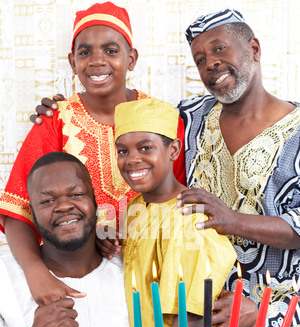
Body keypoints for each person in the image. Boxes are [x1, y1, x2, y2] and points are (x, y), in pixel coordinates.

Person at [0, 2, 186, 308]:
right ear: (72, 62)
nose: (97, 61)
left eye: (111, 50)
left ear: (132, 58)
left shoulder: (162, 120)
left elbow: (178, 202)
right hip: (76, 274)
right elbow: (17, 208)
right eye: (85, 52)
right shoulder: (55, 120)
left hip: (155, 274)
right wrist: (35, 272)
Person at [175, 9, 300, 327]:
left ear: (254, 49)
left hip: (280, 315)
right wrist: (60, 111)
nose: (211, 64)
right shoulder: (190, 119)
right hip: (206, 319)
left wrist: (233, 221)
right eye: (200, 59)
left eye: (219, 50)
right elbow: (134, 127)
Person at [111, 97, 257, 327]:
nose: (132, 159)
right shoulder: (134, 207)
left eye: (145, 148)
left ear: (174, 150)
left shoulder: (190, 217)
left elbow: (189, 324)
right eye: (123, 150)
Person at [0, 151, 131, 327]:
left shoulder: (131, 269)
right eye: (47, 200)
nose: (63, 206)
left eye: (75, 195)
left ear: (95, 202)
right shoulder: (5, 274)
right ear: (31, 214)